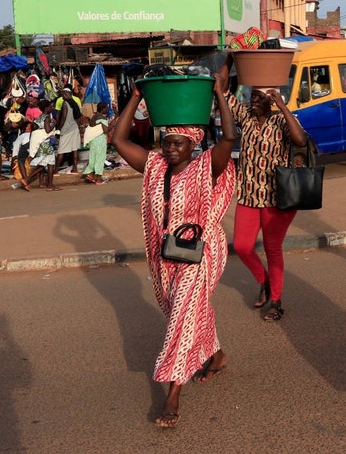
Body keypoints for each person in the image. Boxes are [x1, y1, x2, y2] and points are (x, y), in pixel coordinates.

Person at [111, 78, 236, 428]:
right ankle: (217, 355)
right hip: (166, 255)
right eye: (166, 143)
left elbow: (227, 138)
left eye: (177, 143)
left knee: (181, 319)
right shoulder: (154, 168)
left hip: (203, 254)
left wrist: (220, 95)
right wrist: (136, 96)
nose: (170, 149)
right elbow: (119, 140)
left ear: (192, 144)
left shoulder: (206, 168)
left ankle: (172, 396)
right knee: (185, 312)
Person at [214, 57, 308, 322]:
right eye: (251, 97)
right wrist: (230, 58)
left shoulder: (280, 122)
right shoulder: (246, 118)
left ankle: (276, 301)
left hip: (278, 197)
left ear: (270, 101)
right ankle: (265, 282)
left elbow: (300, 139)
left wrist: (283, 107)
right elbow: (221, 89)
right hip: (249, 195)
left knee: (273, 248)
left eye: (258, 98)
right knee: (243, 247)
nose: (252, 102)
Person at [19, 98, 59, 191]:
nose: (51, 108)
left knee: (47, 164)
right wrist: (54, 124)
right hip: (46, 144)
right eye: (50, 107)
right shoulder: (47, 117)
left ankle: (49, 185)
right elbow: (47, 130)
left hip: (40, 144)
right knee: (48, 164)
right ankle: (28, 180)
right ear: (46, 108)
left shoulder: (38, 118)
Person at [82, 102, 111, 185]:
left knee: (93, 157)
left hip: (93, 140)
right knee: (100, 158)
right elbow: (105, 131)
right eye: (106, 108)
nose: (107, 109)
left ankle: (90, 173)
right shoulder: (102, 118)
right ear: (103, 109)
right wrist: (112, 124)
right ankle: (98, 179)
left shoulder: (94, 117)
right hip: (100, 140)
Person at [54, 87, 82, 173]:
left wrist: (59, 128)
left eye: (63, 94)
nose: (62, 96)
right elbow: (78, 117)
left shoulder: (65, 103)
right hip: (75, 128)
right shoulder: (75, 102)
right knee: (75, 150)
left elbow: (64, 117)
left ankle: (55, 171)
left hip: (66, 129)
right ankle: (75, 168)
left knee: (61, 151)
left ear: (67, 94)